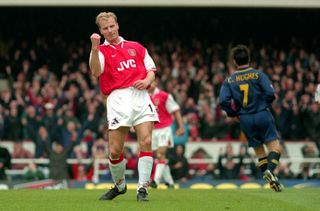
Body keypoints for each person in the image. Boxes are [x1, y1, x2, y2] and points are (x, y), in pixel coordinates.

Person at [89, 11, 159, 202]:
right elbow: (96, 72)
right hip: (117, 99)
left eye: (112, 26)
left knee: (145, 142)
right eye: (105, 28)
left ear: (117, 25)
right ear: (101, 31)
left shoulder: (135, 46)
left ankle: (142, 189)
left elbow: (151, 68)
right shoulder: (100, 51)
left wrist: (146, 80)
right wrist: (94, 49)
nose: (110, 30)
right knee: (115, 150)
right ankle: (120, 186)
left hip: (140, 96)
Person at [219, 44, 283, 192]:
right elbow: (270, 93)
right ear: (249, 58)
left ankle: (272, 184)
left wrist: (233, 114)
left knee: (260, 152)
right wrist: (263, 104)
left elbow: (223, 101)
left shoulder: (229, 81)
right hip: (261, 114)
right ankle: (270, 171)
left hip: (245, 119)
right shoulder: (258, 74)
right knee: (276, 148)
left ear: (235, 62)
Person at [148, 77, 184, 188]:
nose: (149, 84)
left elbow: (176, 110)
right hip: (152, 130)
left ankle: (156, 181)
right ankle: (170, 182)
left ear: (156, 82)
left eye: (151, 82)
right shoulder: (144, 97)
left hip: (165, 128)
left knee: (160, 153)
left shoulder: (164, 96)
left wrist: (181, 127)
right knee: (159, 157)